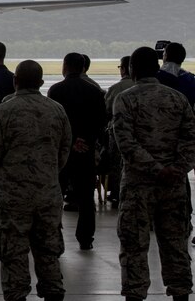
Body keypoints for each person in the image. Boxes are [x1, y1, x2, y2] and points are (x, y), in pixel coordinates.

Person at [0, 60, 71, 301]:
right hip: (48, 193)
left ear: (15, 81)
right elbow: (64, 151)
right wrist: (47, 174)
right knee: (49, 250)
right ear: (41, 83)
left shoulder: (4, 111)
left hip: (13, 194)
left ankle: (17, 294)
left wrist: (1, 179)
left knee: (13, 252)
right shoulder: (56, 110)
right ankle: (53, 292)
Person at [113, 45, 195, 301]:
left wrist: (155, 169)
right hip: (173, 185)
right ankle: (181, 292)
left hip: (139, 186)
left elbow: (125, 143)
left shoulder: (125, 99)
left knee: (134, 245)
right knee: (175, 244)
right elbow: (191, 140)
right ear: (157, 68)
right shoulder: (177, 98)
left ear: (133, 69)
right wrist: (175, 169)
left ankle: (136, 293)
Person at [46, 52, 107, 250]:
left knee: (56, 195)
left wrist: (69, 142)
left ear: (64, 66)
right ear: (83, 68)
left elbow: (54, 122)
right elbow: (101, 122)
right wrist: (85, 141)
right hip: (86, 150)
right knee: (86, 198)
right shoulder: (94, 91)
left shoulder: (55, 90)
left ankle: (54, 234)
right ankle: (85, 238)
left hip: (62, 152)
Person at [104, 55, 136, 205]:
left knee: (116, 164)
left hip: (118, 134)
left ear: (123, 69)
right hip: (141, 135)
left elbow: (106, 111)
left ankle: (116, 193)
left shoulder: (115, 89)